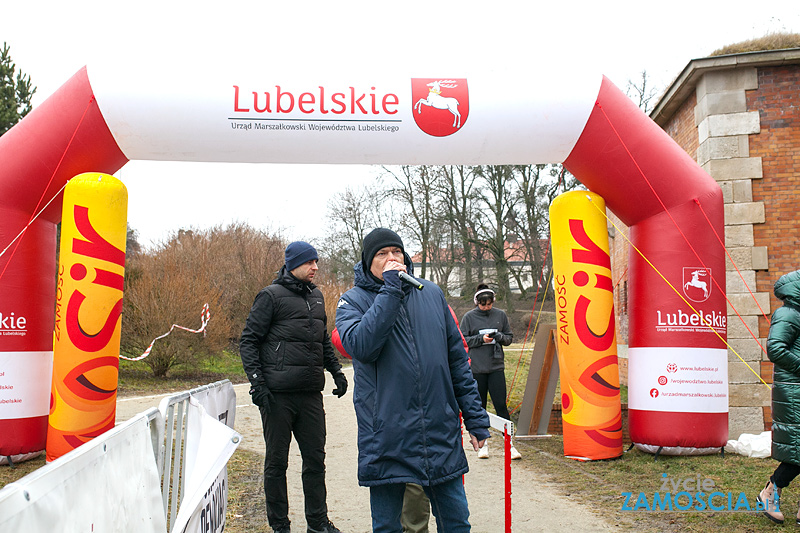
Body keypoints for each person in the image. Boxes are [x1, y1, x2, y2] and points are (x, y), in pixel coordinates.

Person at [335, 228, 491, 533]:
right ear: (368, 262)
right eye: (382, 254)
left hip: (439, 431)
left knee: (457, 521)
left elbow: (457, 363)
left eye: (396, 251)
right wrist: (390, 291)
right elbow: (361, 346)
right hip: (386, 436)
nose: (392, 258)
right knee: (388, 526)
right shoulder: (351, 301)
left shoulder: (430, 293)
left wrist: (475, 419)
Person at [240, 241, 348, 533]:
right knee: (277, 463)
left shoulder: (316, 297)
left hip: (311, 394)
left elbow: (322, 340)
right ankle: (280, 527)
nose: (315, 268)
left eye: (316, 262)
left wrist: (336, 371)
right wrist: (257, 383)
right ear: (293, 264)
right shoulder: (270, 296)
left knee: (316, 461)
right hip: (277, 397)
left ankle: (318, 523)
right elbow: (248, 341)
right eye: (310, 262)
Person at [460, 283, 521, 460]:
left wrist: (498, 337)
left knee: (501, 405)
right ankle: (483, 443)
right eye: (483, 304)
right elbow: (463, 339)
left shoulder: (500, 315)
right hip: (477, 367)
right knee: (480, 406)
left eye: (489, 304)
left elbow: (509, 338)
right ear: (477, 303)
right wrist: (481, 339)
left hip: (496, 366)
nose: (486, 307)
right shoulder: (469, 317)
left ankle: (509, 445)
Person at [759, 270, 800, 525]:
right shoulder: (788, 313)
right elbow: (775, 348)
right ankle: (770, 490)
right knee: (797, 450)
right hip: (794, 391)